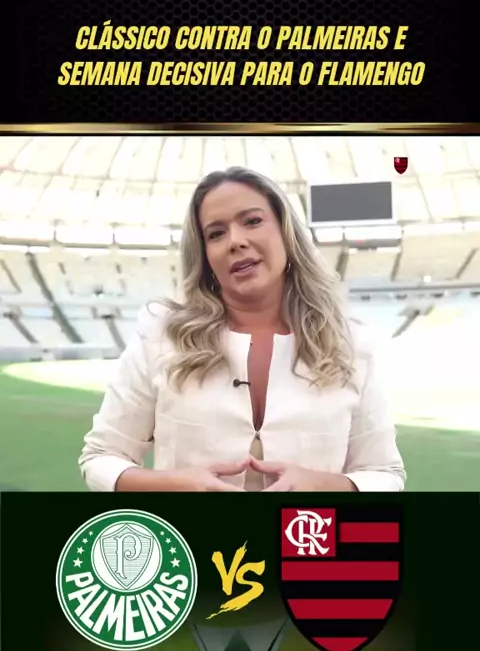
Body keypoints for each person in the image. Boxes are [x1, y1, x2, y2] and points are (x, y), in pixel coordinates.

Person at [79, 166, 406, 493]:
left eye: (252, 221)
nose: (235, 241)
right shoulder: (161, 338)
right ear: (205, 255)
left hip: (307, 529)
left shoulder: (352, 345)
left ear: (286, 232)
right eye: (216, 234)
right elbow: (101, 457)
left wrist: (325, 486)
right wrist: (175, 485)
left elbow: (384, 473)